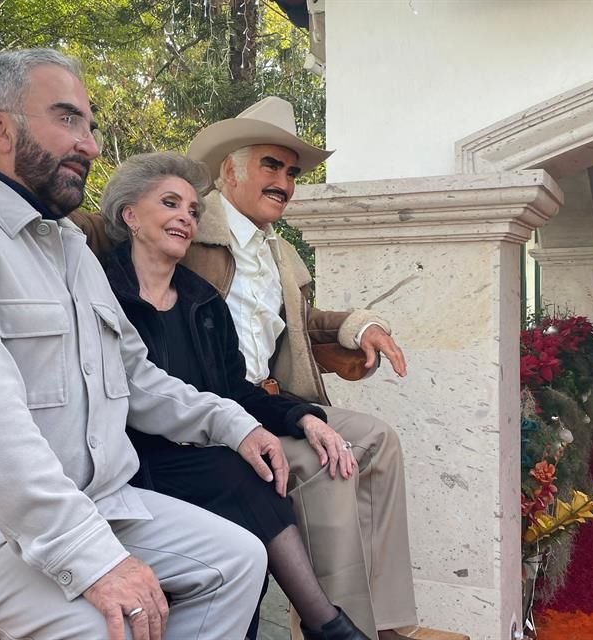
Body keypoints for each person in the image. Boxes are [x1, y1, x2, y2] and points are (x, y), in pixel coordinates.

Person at [0, 49, 289, 640]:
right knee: (113, 623)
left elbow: (136, 377)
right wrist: (93, 559)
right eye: (68, 119)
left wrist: (233, 423)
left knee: (239, 559)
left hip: (94, 506)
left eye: (88, 125)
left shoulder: (69, 246)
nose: (90, 144)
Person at [181, 97, 459, 640]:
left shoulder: (281, 253)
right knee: (329, 461)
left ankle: (386, 622)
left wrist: (358, 327)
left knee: (379, 440)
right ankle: (340, 626)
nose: (285, 181)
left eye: (292, 171)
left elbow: (305, 321)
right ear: (229, 169)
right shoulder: (189, 232)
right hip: (214, 412)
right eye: (271, 165)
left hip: (274, 397)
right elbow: (119, 241)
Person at [90, 151, 370, 640]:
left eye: (194, 210)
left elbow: (235, 391)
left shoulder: (203, 302)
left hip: (203, 455)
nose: (185, 217)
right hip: (128, 459)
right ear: (130, 215)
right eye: (170, 203)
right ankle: (326, 623)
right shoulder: (100, 289)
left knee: (255, 477)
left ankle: (321, 625)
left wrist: (303, 417)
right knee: (241, 475)